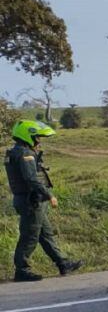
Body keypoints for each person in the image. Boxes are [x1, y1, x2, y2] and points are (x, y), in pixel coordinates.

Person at [4, 120, 82, 282]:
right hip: (31, 201)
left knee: (46, 234)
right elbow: (31, 179)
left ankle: (63, 263)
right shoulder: (25, 154)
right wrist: (49, 195)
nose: (39, 140)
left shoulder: (16, 152)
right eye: (37, 137)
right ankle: (22, 270)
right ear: (27, 136)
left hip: (29, 200)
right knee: (30, 236)